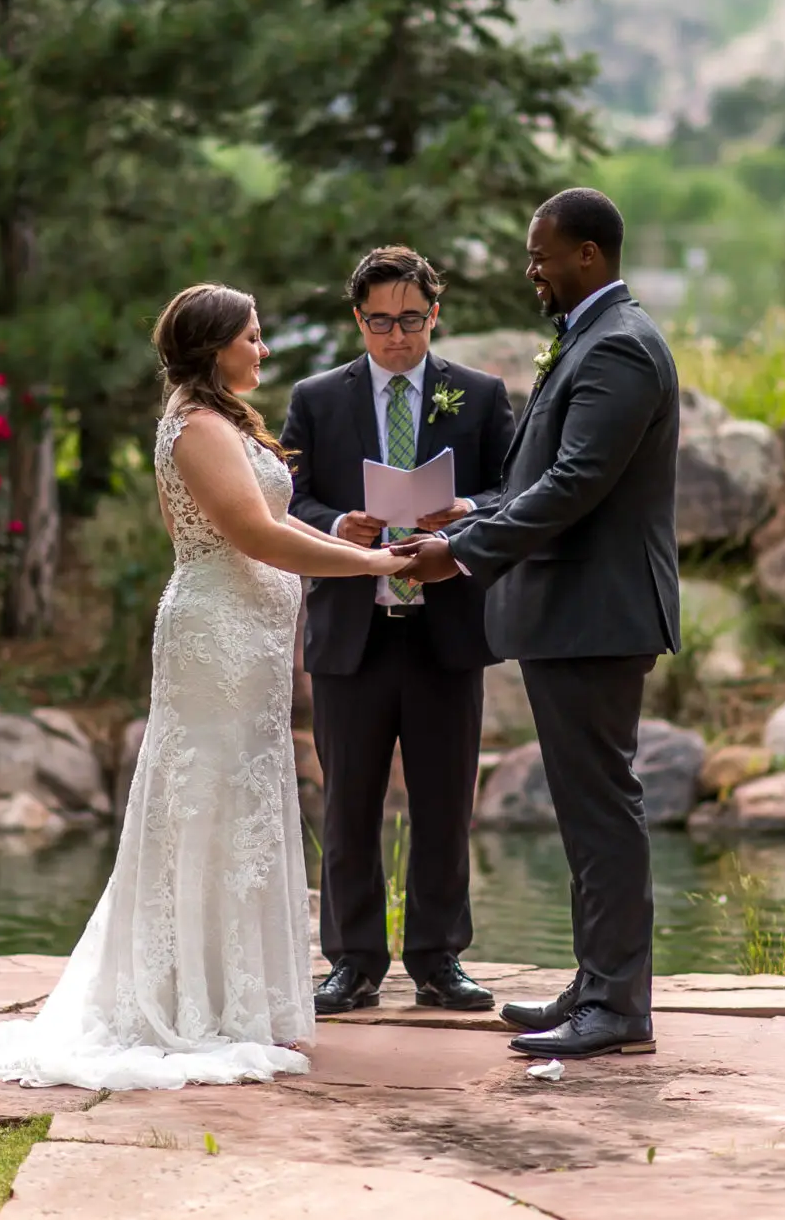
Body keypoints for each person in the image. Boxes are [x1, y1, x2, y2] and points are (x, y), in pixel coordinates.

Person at [0, 284, 407, 1090]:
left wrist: (338, 535)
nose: (261, 350)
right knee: (207, 802)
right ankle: (192, 1003)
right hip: (214, 639)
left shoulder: (225, 420)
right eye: (251, 338)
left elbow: (272, 521)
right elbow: (249, 532)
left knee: (245, 804)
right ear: (215, 345)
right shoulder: (197, 426)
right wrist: (366, 565)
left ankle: (237, 999)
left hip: (248, 642)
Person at [394, 188, 680, 1059]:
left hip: (595, 616)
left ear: (588, 255)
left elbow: (575, 485)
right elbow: (539, 475)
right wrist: (468, 512)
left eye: (541, 255)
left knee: (602, 808)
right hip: (570, 616)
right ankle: (597, 982)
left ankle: (620, 1005)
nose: (532, 270)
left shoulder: (622, 347)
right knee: (586, 809)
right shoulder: (594, 338)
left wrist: (465, 552)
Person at [279, 246, 516, 1016]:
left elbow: (513, 490)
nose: (395, 337)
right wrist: (336, 522)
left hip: (446, 627)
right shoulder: (317, 398)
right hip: (355, 628)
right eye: (379, 321)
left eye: (410, 320)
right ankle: (351, 962)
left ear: (434, 315)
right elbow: (290, 498)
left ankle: (439, 960)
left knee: (446, 800)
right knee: (349, 802)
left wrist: (468, 512)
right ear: (358, 320)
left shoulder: (477, 395)